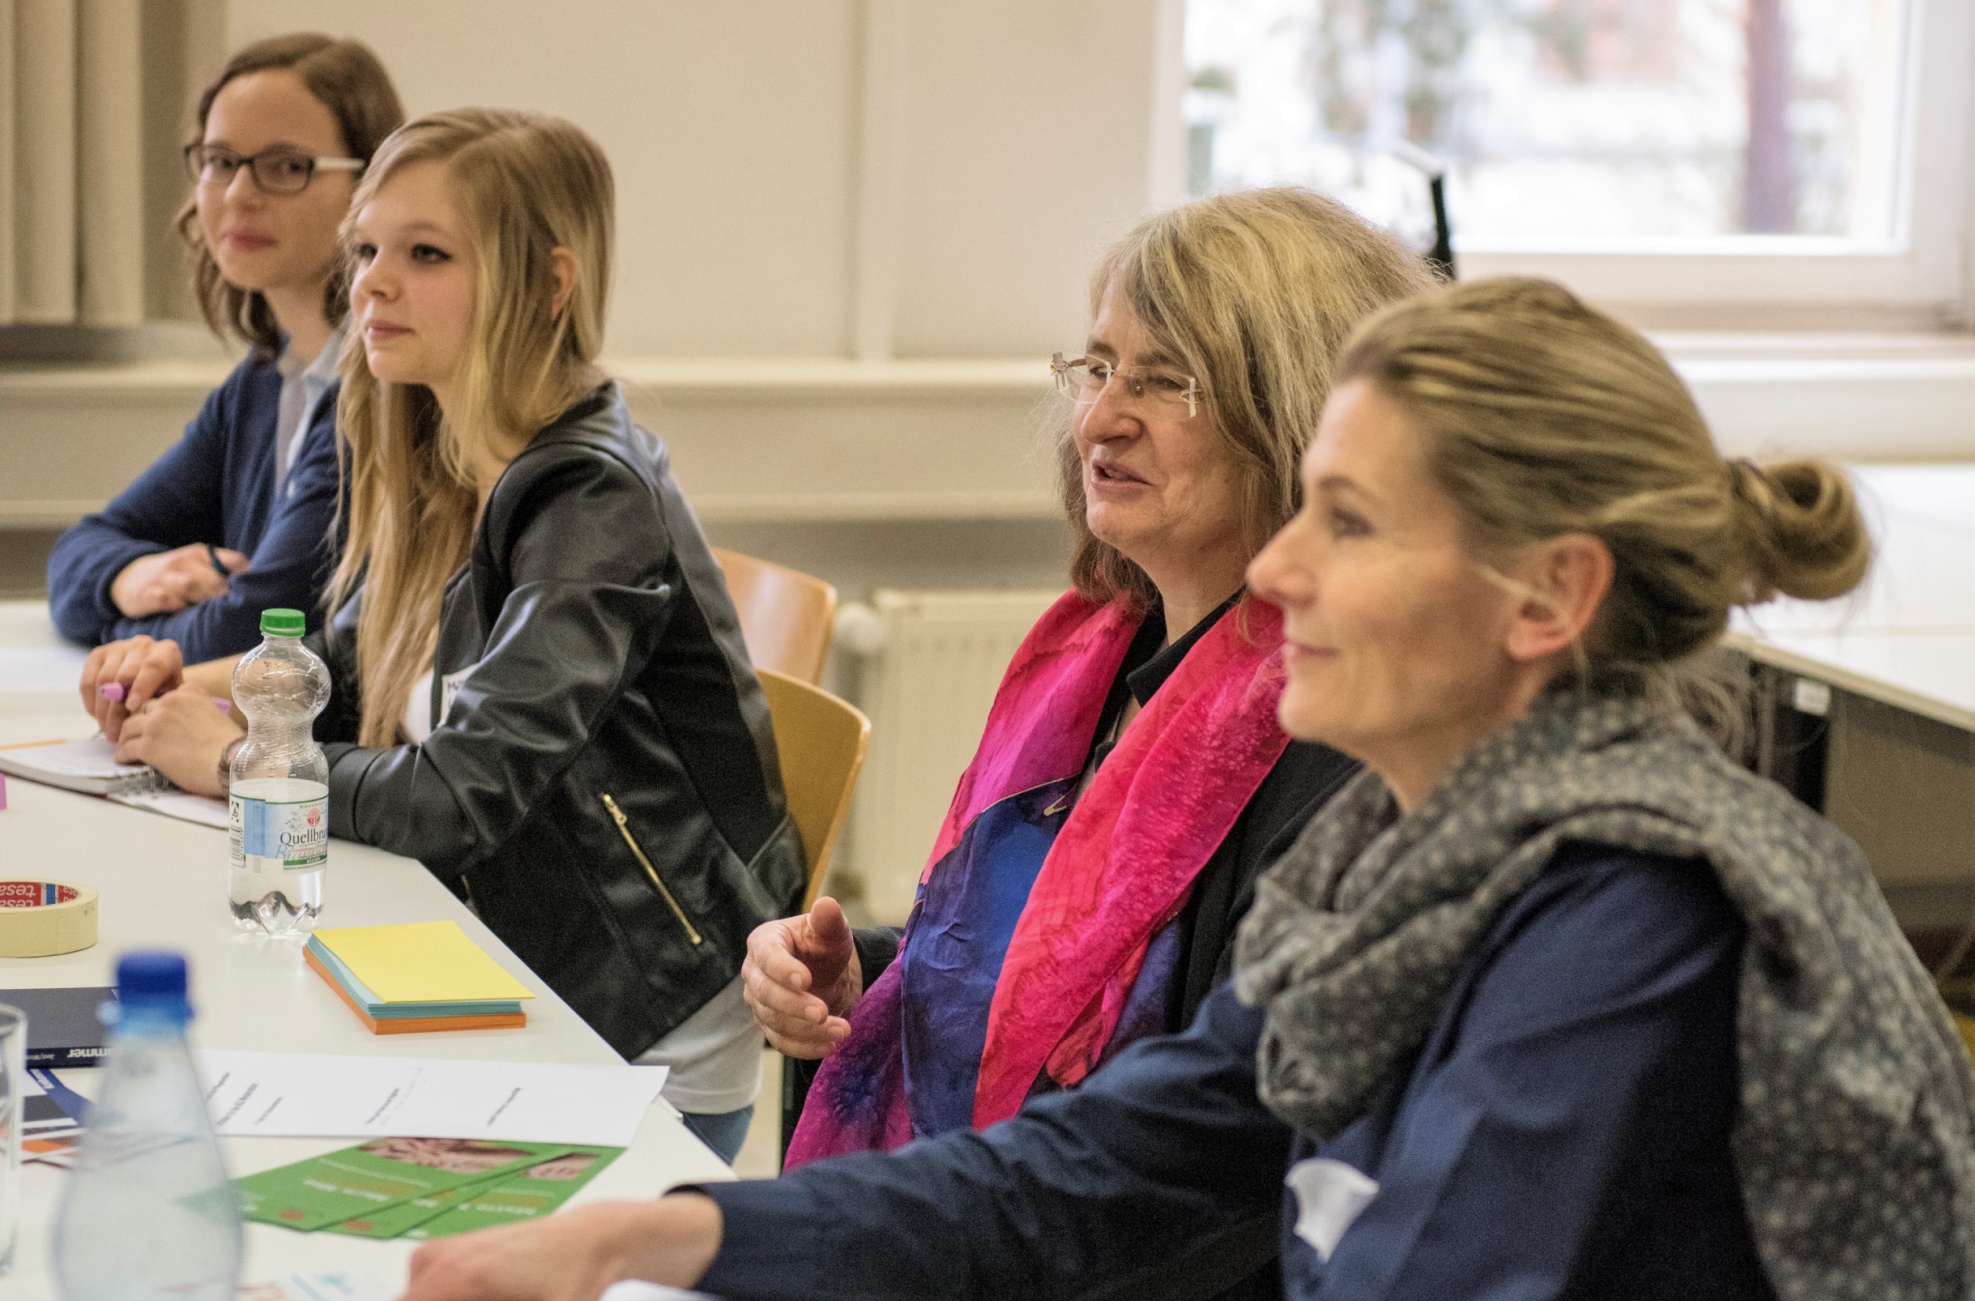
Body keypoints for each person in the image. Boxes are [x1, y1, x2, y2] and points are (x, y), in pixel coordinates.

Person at [379, 277, 1975, 1301]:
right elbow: (1087, 1166)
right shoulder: (1400, 852)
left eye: (1347, 524)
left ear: (1547, 596)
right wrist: (657, 1232)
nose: (1281, 569)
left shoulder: (1632, 914)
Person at [78, 109, 803, 1166]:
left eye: (424, 255)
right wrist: (193, 682)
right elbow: (359, 665)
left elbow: (459, 798)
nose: (370, 285)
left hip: (630, 1034)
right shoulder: (451, 445)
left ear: (548, 285)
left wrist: (240, 762)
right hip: (499, 962)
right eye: (367, 250)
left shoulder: (591, 497)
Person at [750, 191, 1430, 1204]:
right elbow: (1035, 977)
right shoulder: (1092, 655)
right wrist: (870, 976)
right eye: (1100, 368)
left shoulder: (1332, 734)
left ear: (1298, 416)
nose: (1101, 420)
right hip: (996, 1204)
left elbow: (1226, 1130)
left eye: (1164, 382)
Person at [48, 34, 403, 662]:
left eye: (286, 166)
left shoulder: (381, 392)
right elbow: (83, 547)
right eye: (219, 161)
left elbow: (249, 635)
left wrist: (120, 639)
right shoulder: (263, 380)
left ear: (370, 187)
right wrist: (129, 578)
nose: (238, 194)